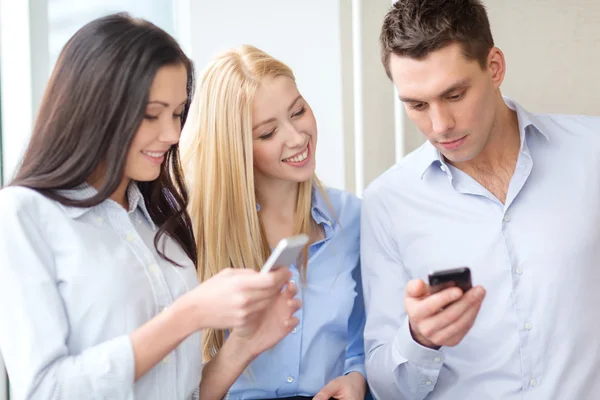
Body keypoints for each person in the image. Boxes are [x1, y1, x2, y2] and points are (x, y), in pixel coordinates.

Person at [0, 14, 298, 400]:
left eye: (177, 113)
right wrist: (188, 315)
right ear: (95, 108)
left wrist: (244, 345)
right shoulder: (22, 215)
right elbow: (45, 390)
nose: (172, 134)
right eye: (150, 115)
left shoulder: (157, 217)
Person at [360, 0, 600, 399]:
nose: (439, 126)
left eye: (454, 95)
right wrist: (420, 338)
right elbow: (387, 388)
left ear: (494, 67)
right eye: (417, 105)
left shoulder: (593, 152)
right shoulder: (386, 203)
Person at [180, 45, 367, 400]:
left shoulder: (353, 219)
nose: (297, 138)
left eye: (298, 112)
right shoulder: (191, 235)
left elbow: (368, 335)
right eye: (267, 133)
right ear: (234, 148)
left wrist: (357, 377)